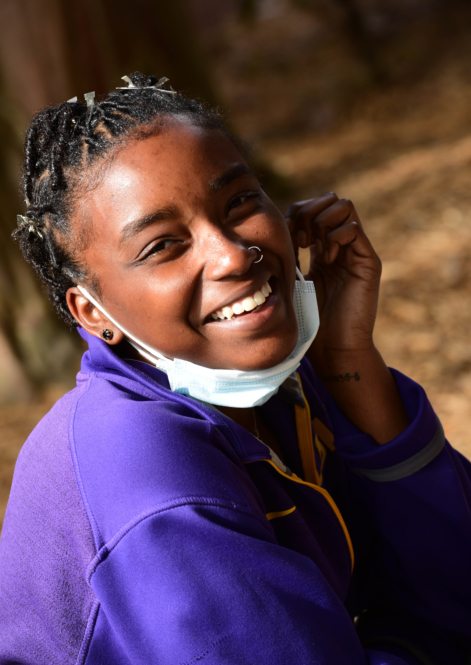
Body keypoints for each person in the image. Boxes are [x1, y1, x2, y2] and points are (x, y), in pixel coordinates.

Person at [0, 72, 470, 665]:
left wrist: (349, 358)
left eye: (241, 202)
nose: (232, 253)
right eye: (163, 245)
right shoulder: (146, 474)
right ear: (93, 313)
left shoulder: (275, 384)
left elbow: (455, 577)